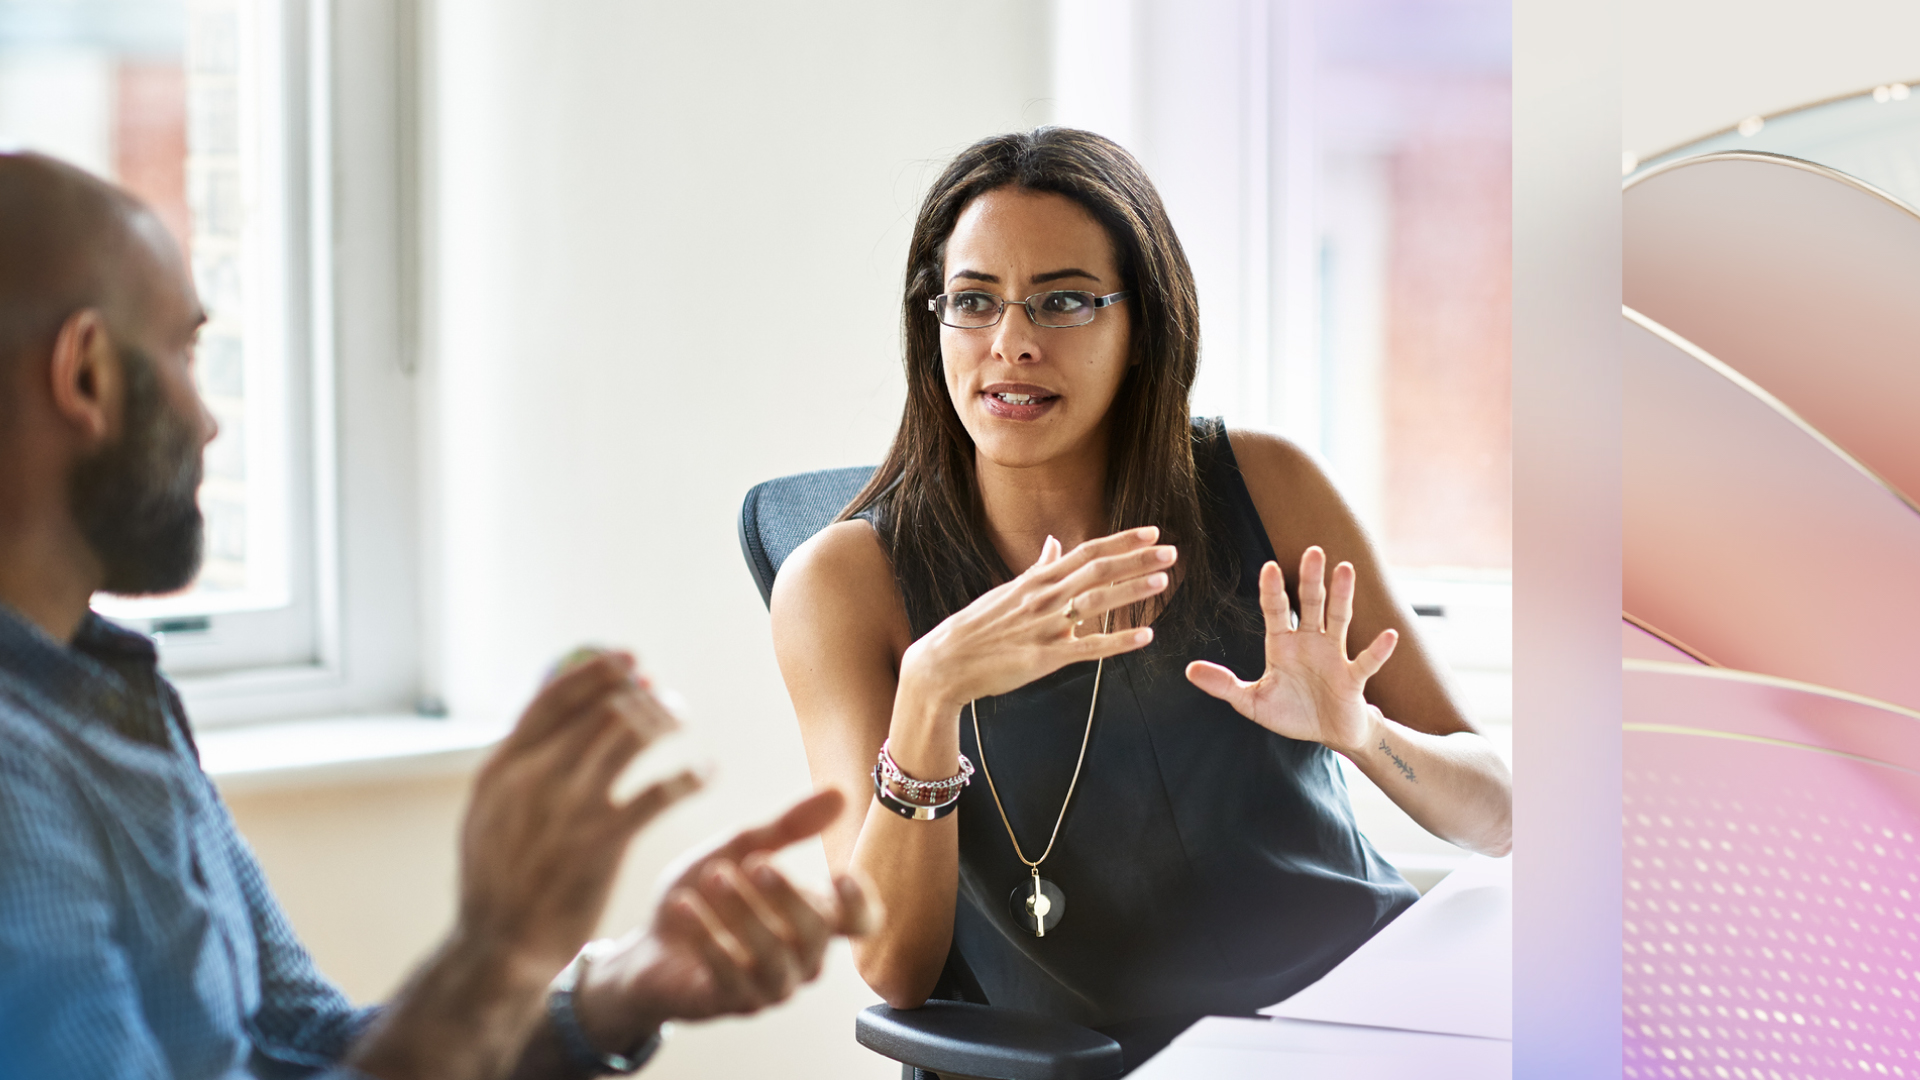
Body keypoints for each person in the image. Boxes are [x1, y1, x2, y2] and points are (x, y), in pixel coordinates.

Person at [0, 151, 871, 1080]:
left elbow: (307, 1048)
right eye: (182, 352)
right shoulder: (16, 778)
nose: (209, 422)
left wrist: (620, 985)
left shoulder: (105, 694)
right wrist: (500, 948)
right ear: (85, 375)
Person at [771, 127, 1513, 1072]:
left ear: (1143, 327)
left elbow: (1497, 816)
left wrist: (1364, 734)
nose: (1014, 343)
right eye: (974, 302)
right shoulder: (843, 583)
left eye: (1066, 301)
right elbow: (894, 970)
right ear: (934, 323)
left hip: (1370, 1023)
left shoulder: (1265, 484)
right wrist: (930, 696)